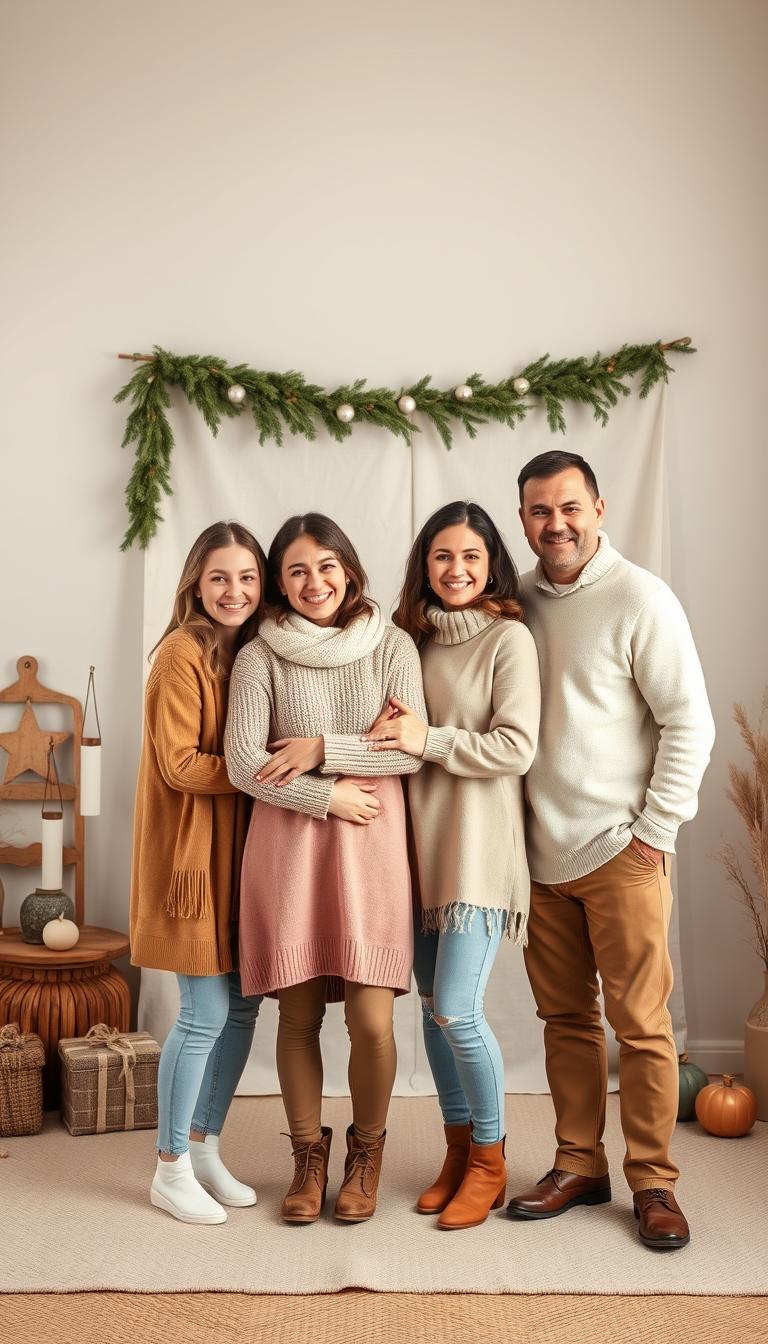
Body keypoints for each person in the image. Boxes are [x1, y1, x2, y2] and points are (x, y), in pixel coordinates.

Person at [507, 450, 714, 1250]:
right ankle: (578, 1164)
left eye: (568, 508)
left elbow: (688, 723)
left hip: (621, 851)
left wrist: (654, 834)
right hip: (538, 857)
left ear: (598, 508)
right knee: (565, 1020)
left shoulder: (641, 599)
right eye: (537, 511)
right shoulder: (516, 599)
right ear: (521, 517)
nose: (553, 524)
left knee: (643, 1026)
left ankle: (655, 1183)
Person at [224, 513, 427, 1224]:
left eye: (327, 566)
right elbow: (246, 762)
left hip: (371, 852)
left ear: (350, 568)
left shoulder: (392, 645)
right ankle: (308, 1155)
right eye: (297, 571)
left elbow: (407, 749)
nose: (315, 582)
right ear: (280, 582)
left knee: (373, 1020)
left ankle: (366, 1154)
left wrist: (318, 748)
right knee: (300, 1015)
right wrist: (327, 792)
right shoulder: (259, 655)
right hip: (290, 850)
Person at [365, 501, 540, 1230]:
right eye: (442, 556)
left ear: (491, 563)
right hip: (418, 853)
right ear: (424, 565)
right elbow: (389, 733)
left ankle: (492, 1162)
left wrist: (427, 738)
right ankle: (457, 1147)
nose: (457, 570)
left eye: (471, 556)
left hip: (476, 852)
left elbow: (515, 748)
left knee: (456, 1012)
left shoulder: (509, 640)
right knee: (432, 1023)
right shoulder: (410, 640)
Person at [130, 521, 267, 1225]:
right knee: (204, 1011)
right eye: (220, 578)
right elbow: (180, 765)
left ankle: (205, 1143)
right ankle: (169, 1165)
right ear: (195, 582)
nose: (234, 591)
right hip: (191, 862)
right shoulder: (181, 656)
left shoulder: (246, 653)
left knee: (242, 1006)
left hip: (240, 857)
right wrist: (264, 770)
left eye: (247, 578)